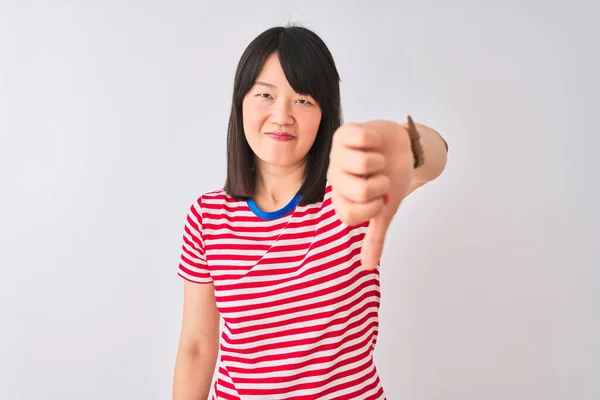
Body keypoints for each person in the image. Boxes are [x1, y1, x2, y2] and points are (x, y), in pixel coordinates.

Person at [172, 24, 448, 400]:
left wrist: (406, 143)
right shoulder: (207, 217)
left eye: (303, 100)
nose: (282, 115)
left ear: (324, 113)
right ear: (241, 102)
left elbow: (431, 161)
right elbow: (197, 347)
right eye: (265, 95)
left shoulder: (351, 190)